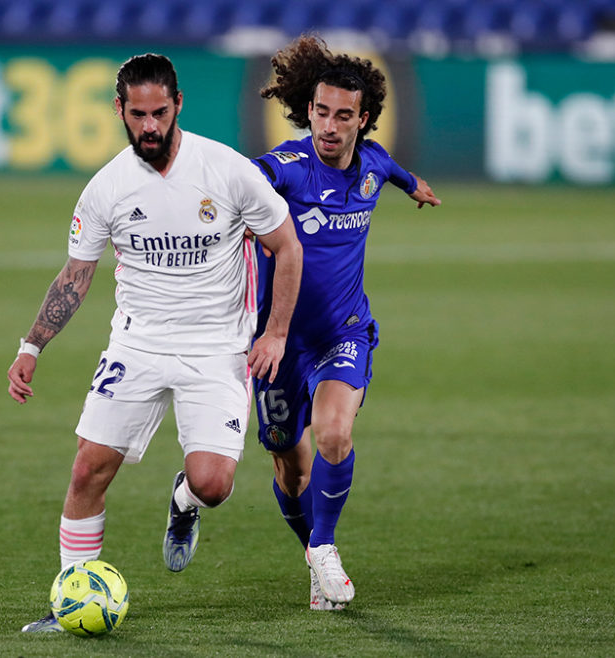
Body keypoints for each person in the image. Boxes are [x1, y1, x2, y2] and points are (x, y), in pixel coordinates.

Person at [7, 53, 303, 632]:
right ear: (119, 110)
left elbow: (287, 247)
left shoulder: (226, 170)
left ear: (178, 106)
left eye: (159, 113)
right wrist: (31, 346)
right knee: (89, 468)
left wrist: (275, 334)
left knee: (214, 484)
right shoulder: (107, 188)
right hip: (136, 345)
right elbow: (75, 276)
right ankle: (68, 595)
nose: (149, 126)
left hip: (218, 348)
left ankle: (185, 502)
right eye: (137, 114)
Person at [250, 35, 441, 611]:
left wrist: (416, 188)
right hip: (277, 343)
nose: (329, 126)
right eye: (321, 112)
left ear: (364, 120)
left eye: (343, 116)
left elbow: (394, 171)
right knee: (288, 460)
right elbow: (243, 178)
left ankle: (326, 548)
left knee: (334, 434)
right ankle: (315, 556)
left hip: (343, 333)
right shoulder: (284, 167)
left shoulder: (373, 163)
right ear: (308, 110)